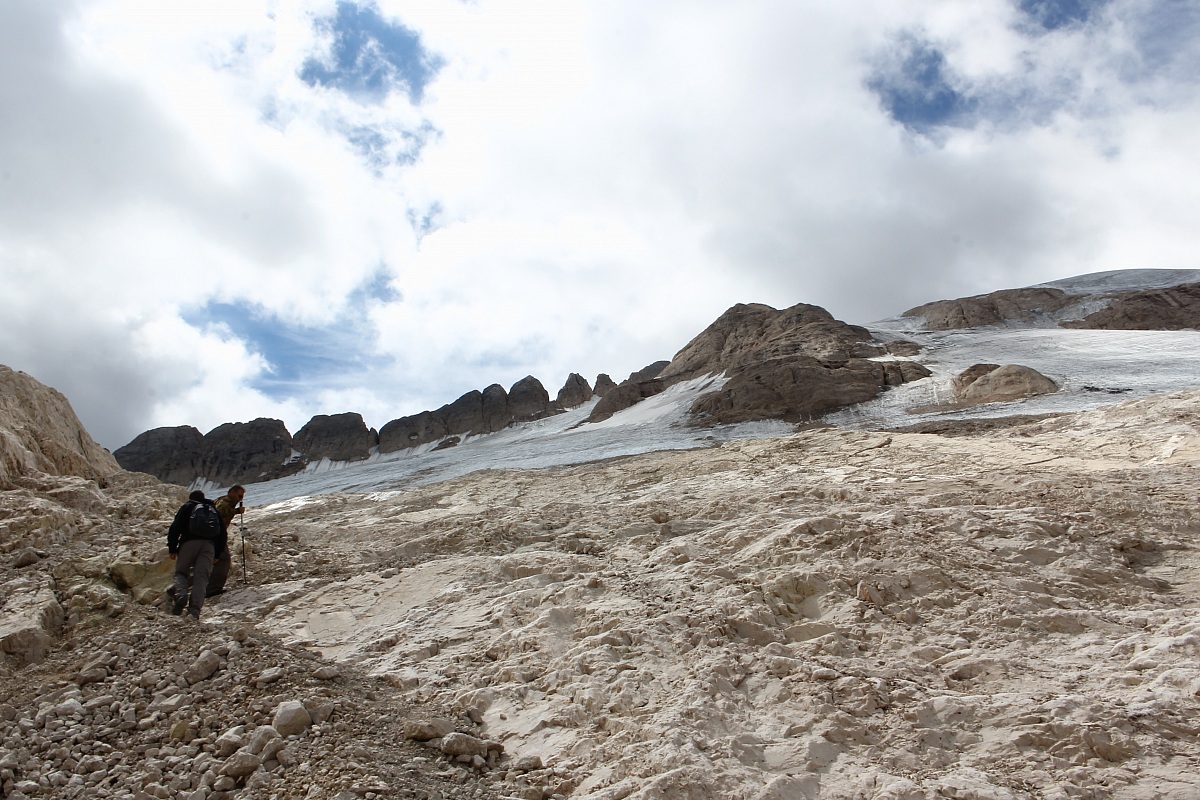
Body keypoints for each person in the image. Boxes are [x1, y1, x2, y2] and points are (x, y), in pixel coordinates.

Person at [167, 489, 226, 619]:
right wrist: (217, 554)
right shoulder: (213, 510)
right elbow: (222, 533)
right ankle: (194, 611)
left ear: (191, 498)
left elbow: (175, 527)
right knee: (201, 579)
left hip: (188, 544)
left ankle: (181, 595)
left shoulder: (188, 506)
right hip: (209, 547)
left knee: (181, 573)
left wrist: (172, 548)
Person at [208, 485, 246, 595]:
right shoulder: (224, 502)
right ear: (233, 493)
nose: (240, 499)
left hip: (213, 535)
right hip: (216, 535)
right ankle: (213, 588)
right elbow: (219, 514)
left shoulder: (222, 500)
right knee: (223, 559)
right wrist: (236, 511)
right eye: (239, 496)